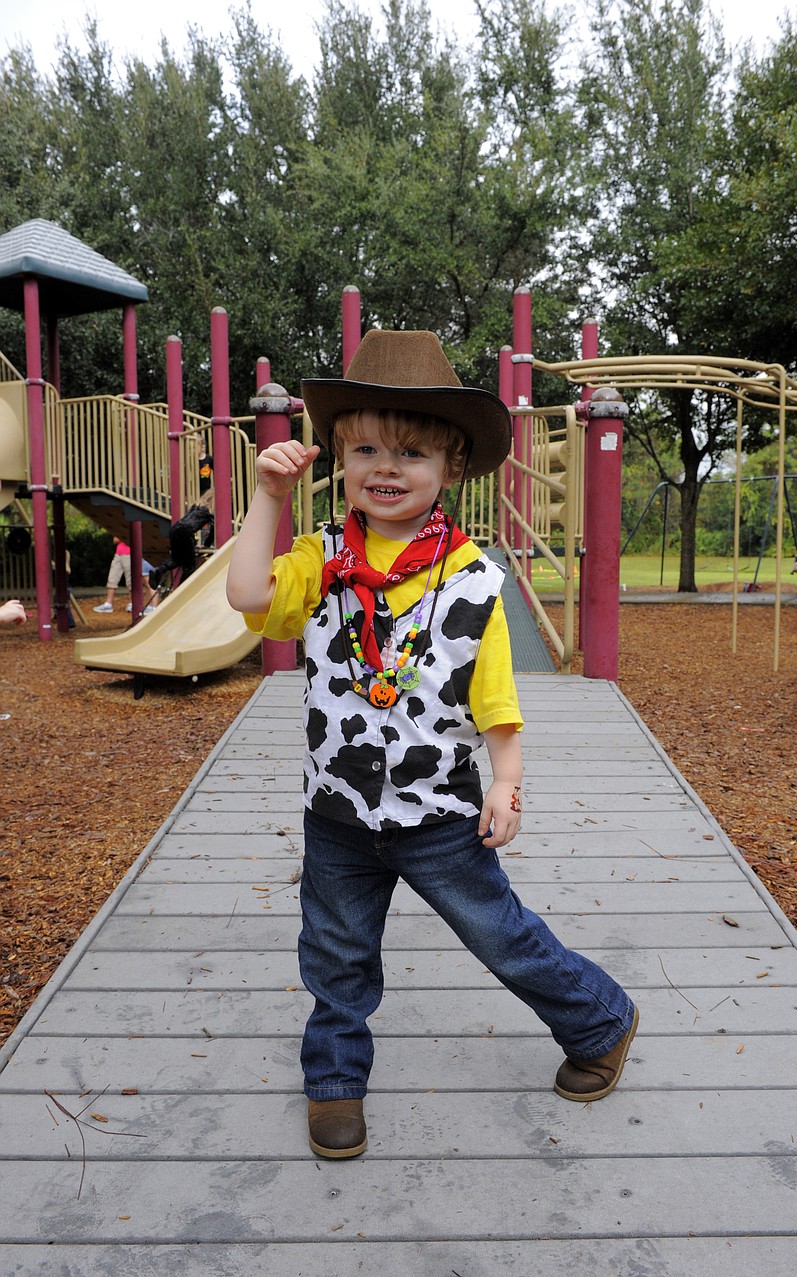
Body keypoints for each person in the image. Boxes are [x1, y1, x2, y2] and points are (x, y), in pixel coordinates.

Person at [226, 329, 638, 1161]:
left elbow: (498, 706)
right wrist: (264, 499)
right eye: (367, 446)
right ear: (341, 455)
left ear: (451, 467)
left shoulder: (476, 579)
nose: (386, 465)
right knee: (335, 954)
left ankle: (599, 1018)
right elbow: (244, 595)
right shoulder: (318, 560)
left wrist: (507, 785)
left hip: (441, 812)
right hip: (338, 811)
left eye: (411, 451)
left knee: (501, 933)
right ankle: (334, 1081)